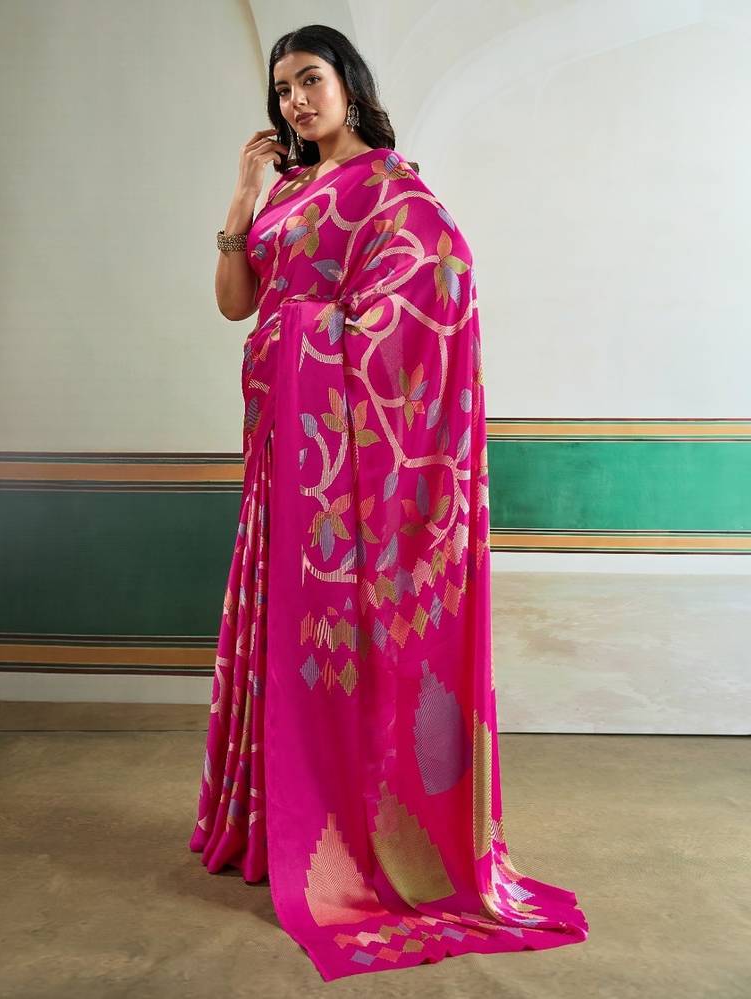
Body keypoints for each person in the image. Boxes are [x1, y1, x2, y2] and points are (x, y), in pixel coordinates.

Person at [190, 23, 588, 982]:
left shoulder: (393, 192)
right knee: (282, 627)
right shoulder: (287, 192)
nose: (295, 100)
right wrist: (241, 200)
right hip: (285, 453)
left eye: (310, 79)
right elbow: (237, 302)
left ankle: (360, 832)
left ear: (350, 84)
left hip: (341, 461)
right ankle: (275, 820)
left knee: (352, 638)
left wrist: (305, 334)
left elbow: (436, 295)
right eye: (283, 87)